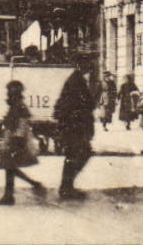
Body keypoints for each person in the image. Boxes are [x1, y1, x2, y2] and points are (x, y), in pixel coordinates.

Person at [0, 80, 46, 205]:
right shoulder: (15, 105)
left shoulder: (18, 105)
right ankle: (32, 184)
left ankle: (9, 196)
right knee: (10, 167)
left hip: (14, 140)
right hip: (11, 138)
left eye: (10, 90)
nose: (8, 93)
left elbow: (22, 124)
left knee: (9, 167)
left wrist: (16, 140)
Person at [54, 62, 96, 199]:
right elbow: (87, 103)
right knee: (80, 154)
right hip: (74, 126)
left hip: (72, 125)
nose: (90, 69)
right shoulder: (77, 81)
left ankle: (67, 186)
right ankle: (66, 187)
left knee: (75, 155)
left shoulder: (75, 79)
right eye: (88, 66)